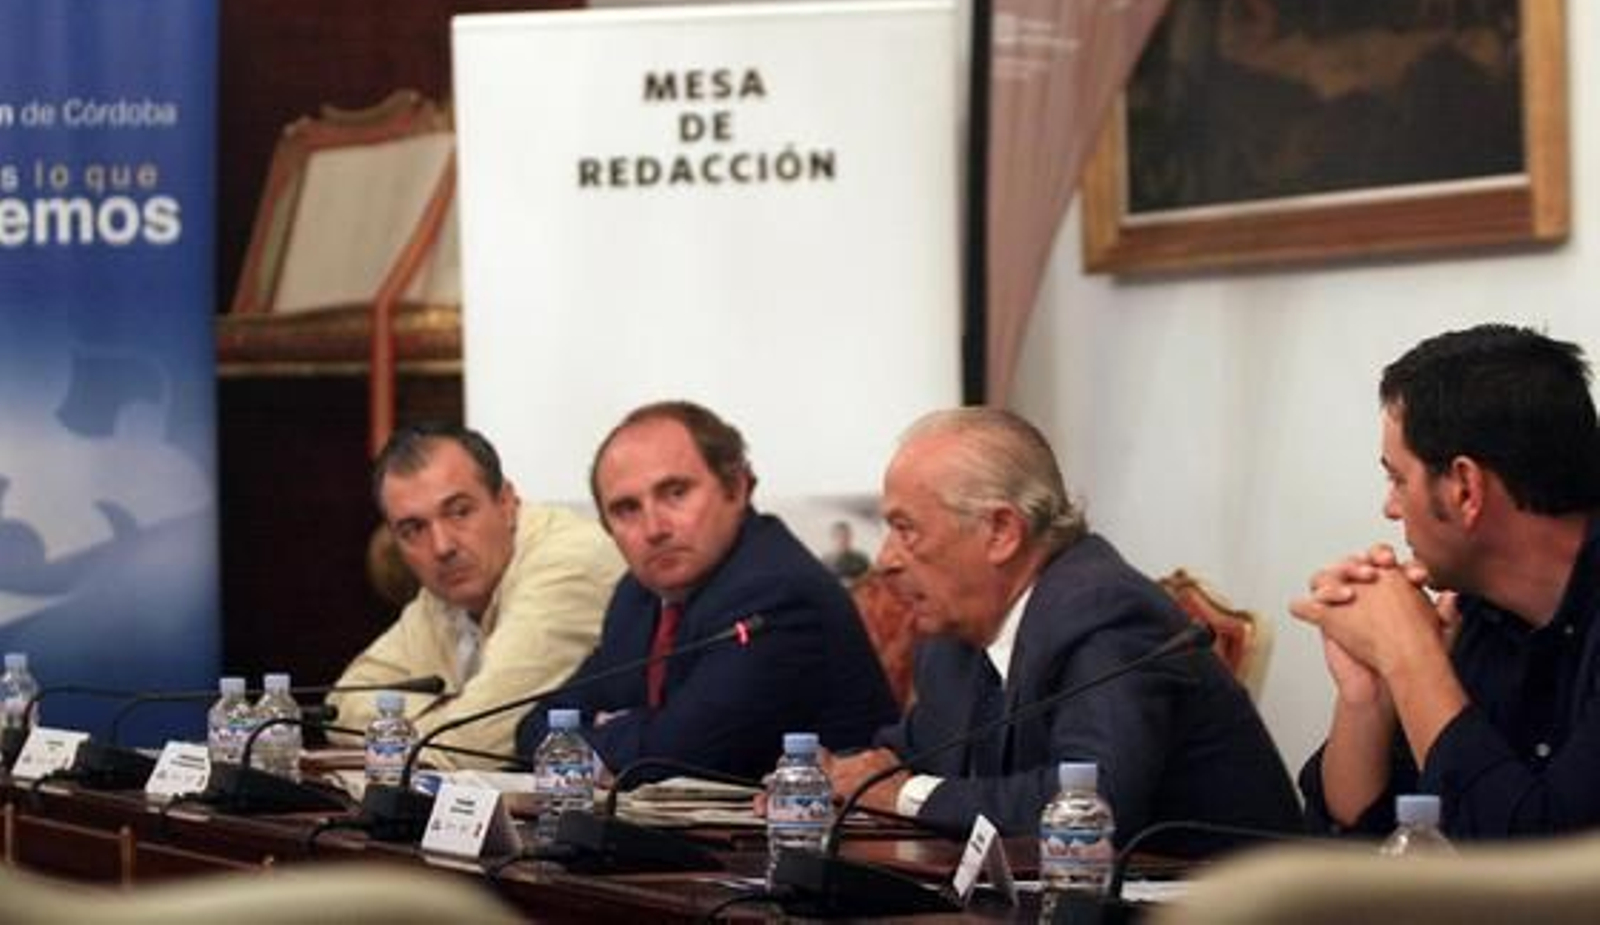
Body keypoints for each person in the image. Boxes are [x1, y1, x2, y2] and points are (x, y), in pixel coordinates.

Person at [825, 407, 1300, 854]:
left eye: (906, 529)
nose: (885, 560)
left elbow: (1092, 804)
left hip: (1228, 896)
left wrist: (906, 795)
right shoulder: (956, 632)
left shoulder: (1106, 613)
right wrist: (837, 774)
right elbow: (909, 755)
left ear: (1001, 532)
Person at [1294, 324, 1600, 839]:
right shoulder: (1479, 613)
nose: (1390, 508)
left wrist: (1410, 656)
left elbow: (1539, 862)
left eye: (1397, 479)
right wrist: (1369, 696)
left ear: (1464, 488)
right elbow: (1363, 849)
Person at [514, 401, 898, 782]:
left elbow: (669, 756)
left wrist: (606, 728)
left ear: (737, 487)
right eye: (627, 509)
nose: (654, 528)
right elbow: (535, 730)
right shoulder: (637, 597)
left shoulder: (778, 592)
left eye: (676, 492)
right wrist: (631, 729)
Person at [331, 422, 623, 766]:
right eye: (414, 529)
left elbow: (471, 746)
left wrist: (399, 724)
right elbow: (340, 706)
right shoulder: (449, 591)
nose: (442, 546)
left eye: (459, 511)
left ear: (506, 502)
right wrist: (451, 711)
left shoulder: (569, 564)